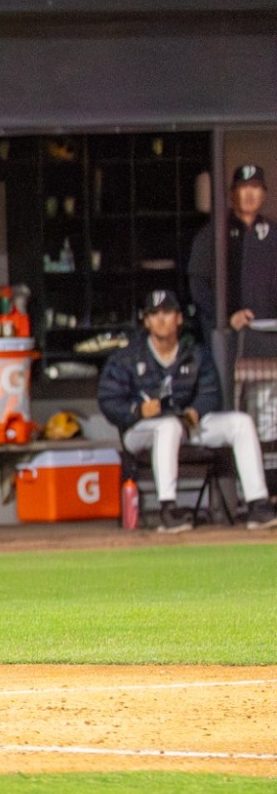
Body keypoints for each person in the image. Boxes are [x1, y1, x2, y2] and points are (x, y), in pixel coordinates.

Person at [96, 290, 277, 533]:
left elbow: (211, 392)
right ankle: (168, 509)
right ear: (146, 321)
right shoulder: (128, 356)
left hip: (184, 425)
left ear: (179, 318)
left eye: (167, 313)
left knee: (241, 422)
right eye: (154, 314)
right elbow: (108, 400)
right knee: (167, 426)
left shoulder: (193, 353)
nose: (161, 319)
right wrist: (137, 410)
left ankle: (258, 504)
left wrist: (195, 411)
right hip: (140, 431)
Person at [188, 165, 277, 336]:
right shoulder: (213, 233)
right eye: (243, 187)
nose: (249, 194)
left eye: (255, 187)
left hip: (269, 332)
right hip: (227, 333)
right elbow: (198, 285)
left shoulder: (273, 233)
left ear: (264, 194)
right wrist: (226, 318)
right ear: (232, 193)